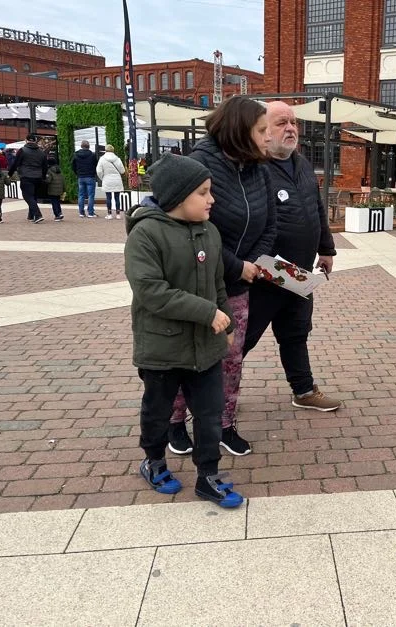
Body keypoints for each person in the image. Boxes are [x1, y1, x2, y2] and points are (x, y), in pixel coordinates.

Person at [124, 153, 243, 508]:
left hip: (205, 348)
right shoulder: (145, 234)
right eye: (203, 193)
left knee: (210, 414)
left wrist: (227, 319)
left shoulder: (211, 231)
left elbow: (218, 283)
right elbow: (151, 292)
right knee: (157, 412)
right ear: (178, 197)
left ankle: (207, 477)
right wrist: (208, 313)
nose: (212, 200)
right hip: (162, 349)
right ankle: (154, 461)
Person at [168, 97, 277, 457]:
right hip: (199, 283)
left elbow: (269, 223)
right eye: (262, 130)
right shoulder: (199, 165)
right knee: (191, 357)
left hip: (239, 283)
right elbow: (196, 228)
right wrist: (237, 265)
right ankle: (174, 422)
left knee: (231, 357)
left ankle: (224, 424)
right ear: (239, 130)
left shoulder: (258, 169)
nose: (268, 137)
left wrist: (253, 264)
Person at [242, 100, 342, 411]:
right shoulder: (251, 168)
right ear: (263, 132)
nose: (290, 128)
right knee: (242, 340)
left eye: (293, 122)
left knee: (297, 331)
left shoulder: (301, 164)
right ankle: (211, 396)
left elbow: (316, 209)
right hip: (264, 274)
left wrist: (326, 247)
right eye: (281, 122)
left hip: (298, 274)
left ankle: (303, 390)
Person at [8, 134, 48, 223]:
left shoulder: (22, 150)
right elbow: (45, 166)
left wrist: (10, 174)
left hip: (26, 176)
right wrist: (43, 176)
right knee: (33, 196)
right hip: (38, 177)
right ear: (35, 141)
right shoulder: (41, 152)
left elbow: (15, 163)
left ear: (26, 140)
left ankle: (37, 215)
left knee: (28, 196)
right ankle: (31, 215)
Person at [97, 145, 126, 219]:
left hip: (107, 179)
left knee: (108, 197)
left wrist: (102, 177)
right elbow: (122, 171)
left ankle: (109, 214)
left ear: (105, 150)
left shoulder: (102, 159)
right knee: (117, 198)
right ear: (113, 150)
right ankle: (118, 214)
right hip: (117, 179)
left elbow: (99, 171)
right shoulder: (117, 159)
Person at [72, 140, 98, 218]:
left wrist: (77, 173)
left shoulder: (76, 155)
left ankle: (81, 213)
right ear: (88, 146)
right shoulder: (92, 155)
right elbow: (96, 165)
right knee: (90, 195)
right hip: (90, 176)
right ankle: (90, 212)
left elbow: (73, 166)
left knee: (81, 195)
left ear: (81, 146)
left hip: (80, 177)